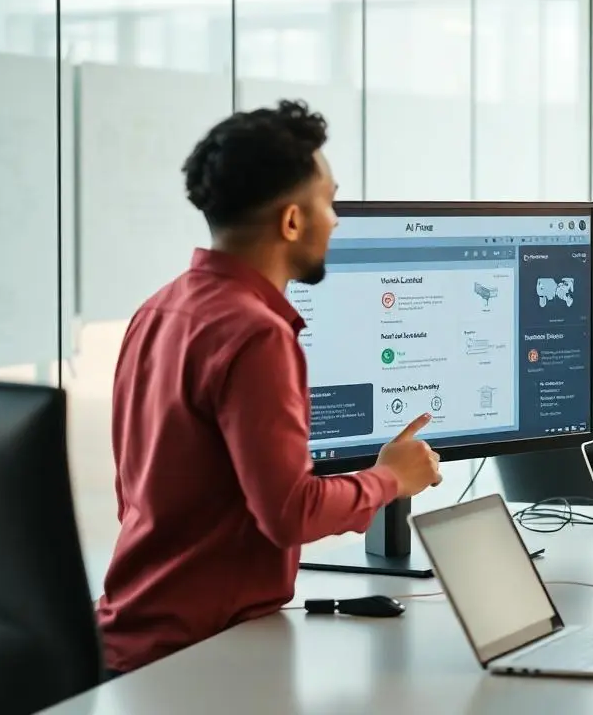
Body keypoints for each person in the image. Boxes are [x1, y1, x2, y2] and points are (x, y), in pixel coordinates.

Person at [95, 100, 443, 676]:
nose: (336, 220)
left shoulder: (157, 309)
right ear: (291, 221)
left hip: (138, 639)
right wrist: (390, 479)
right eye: (329, 201)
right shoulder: (257, 334)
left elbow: (130, 492)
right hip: (198, 657)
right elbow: (289, 512)